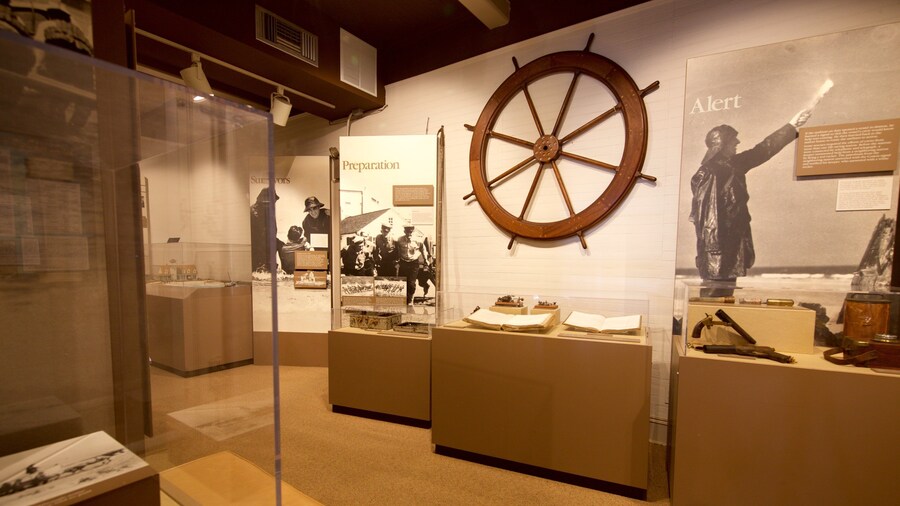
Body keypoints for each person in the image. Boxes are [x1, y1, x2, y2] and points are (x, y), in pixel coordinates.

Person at [689, 109, 811, 293]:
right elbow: (708, 212)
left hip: (728, 246)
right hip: (718, 248)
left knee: (723, 297)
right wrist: (714, 248)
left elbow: (762, 151)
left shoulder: (732, 166)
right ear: (720, 144)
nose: (737, 142)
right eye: (732, 140)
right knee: (713, 298)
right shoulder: (710, 172)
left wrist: (792, 126)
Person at [397, 225, 430, 304]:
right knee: (403, 281)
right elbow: (397, 250)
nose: (409, 233)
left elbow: (423, 249)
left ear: (413, 231)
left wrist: (426, 260)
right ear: (404, 232)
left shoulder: (418, 240)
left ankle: (410, 299)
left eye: (411, 232)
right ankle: (405, 298)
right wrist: (397, 260)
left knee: (411, 282)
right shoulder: (400, 240)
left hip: (413, 263)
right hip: (403, 262)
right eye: (407, 232)